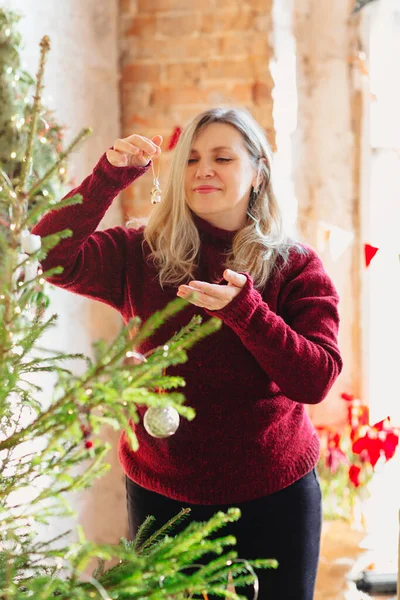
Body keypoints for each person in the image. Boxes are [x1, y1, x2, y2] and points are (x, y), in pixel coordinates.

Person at [32, 107, 343, 599]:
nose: (203, 169)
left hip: (275, 496)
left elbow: (315, 379)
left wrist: (248, 313)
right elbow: (47, 254)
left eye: (223, 157)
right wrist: (108, 177)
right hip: (162, 494)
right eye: (192, 158)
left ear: (258, 172)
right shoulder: (141, 252)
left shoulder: (296, 265)